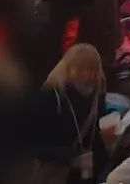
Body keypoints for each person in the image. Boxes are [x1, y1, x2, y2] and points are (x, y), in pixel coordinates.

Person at [27, 43, 109, 184]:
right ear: (68, 67)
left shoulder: (96, 95)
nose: (87, 74)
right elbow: (33, 142)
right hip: (57, 172)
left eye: (91, 69)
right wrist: (70, 158)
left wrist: (105, 150)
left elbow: (94, 135)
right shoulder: (52, 96)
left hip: (86, 174)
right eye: (81, 68)